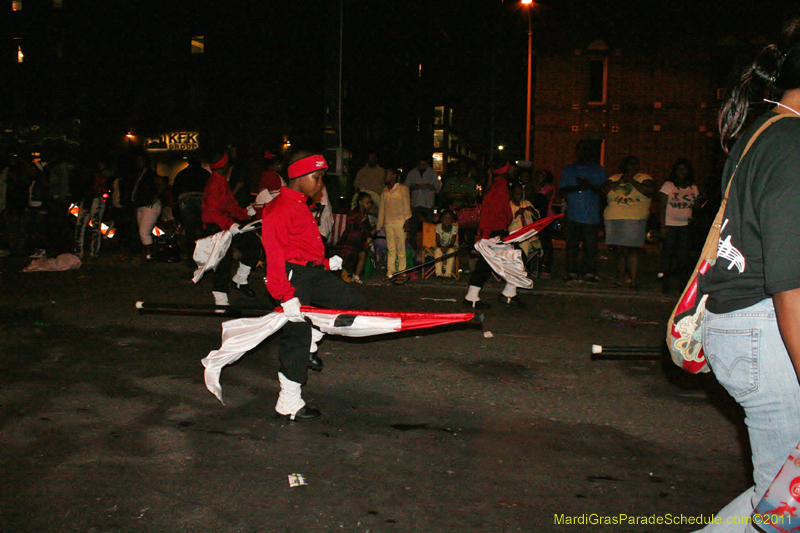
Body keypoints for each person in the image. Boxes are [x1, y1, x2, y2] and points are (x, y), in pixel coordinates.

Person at [695, 19, 800, 532]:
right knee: (786, 506)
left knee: (782, 500)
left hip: (745, 325)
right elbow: (792, 287)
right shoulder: (793, 143)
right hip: (765, 330)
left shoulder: (767, 130)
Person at [262, 151, 366, 421]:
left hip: (311, 272)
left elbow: (301, 244)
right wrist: (285, 296)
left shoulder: (300, 203)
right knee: (294, 340)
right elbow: (274, 257)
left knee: (353, 304)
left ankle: (312, 342)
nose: (320, 185)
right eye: (317, 178)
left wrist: (324, 262)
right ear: (297, 177)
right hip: (291, 277)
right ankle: (289, 403)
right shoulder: (278, 209)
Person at [201, 151, 260, 307]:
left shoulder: (221, 181)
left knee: (252, 243)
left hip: (225, 223)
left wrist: (244, 213)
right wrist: (231, 225)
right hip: (215, 226)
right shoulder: (214, 183)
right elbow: (214, 212)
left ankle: (240, 279)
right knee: (223, 260)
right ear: (225, 165)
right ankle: (220, 296)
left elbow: (229, 204)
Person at [463, 159, 523, 309]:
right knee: (492, 264)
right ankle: (473, 296)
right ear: (505, 170)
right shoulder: (500, 188)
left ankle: (508, 293)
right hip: (495, 233)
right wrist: (487, 237)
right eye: (511, 167)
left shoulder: (498, 185)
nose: (514, 169)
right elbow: (489, 214)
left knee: (511, 262)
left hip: (496, 232)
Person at [602, 155, 657, 290]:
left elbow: (649, 191)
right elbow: (602, 191)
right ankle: (620, 278)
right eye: (628, 164)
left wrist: (631, 181)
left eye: (634, 164)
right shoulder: (614, 178)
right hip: (614, 218)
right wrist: (620, 181)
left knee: (633, 249)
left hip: (634, 218)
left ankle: (633, 281)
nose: (631, 167)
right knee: (618, 250)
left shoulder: (644, 178)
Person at [559, 140, 606, 283]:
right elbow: (563, 189)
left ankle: (589, 272)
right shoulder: (568, 170)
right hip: (573, 213)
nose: (582, 153)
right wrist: (578, 187)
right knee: (571, 246)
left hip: (590, 215)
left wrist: (589, 185)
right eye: (580, 150)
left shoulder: (597, 170)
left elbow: (602, 190)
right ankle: (571, 271)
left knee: (590, 247)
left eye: (586, 150)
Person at [659, 158, 700, 294]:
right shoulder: (669, 185)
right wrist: (662, 226)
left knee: (683, 257)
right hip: (670, 224)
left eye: (684, 169)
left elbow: (696, 206)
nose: (682, 172)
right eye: (679, 169)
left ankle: (682, 284)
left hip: (685, 226)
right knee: (667, 255)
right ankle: (665, 284)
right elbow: (662, 206)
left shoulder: (692, 187)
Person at [172, 156, 210, 268]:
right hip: (201, 200)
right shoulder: (204, 173)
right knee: (203, 229)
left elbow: (175, 190)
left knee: (190, 230)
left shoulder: (182, 174)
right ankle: (204, 255)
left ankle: (191, 257)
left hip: (186, 201)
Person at [377, 167, 411, 283]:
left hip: (400, 221)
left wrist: (407, 222)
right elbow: (382, 209)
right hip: (388, 222)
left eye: (388, 173)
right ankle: (390, 272)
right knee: (391, 248)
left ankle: (402, 272)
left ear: (394, 176)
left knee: (401, 248)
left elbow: (406, 205)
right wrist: (378, 226)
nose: (386, 176)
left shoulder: (402, 189)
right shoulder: (385, 190)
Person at [73, 158, 110, 260]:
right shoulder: (95, 174)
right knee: (91, 227)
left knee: (86, 226)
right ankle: (89, 252)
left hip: (93, 199)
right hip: (91, 199)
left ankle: (85, 252)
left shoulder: (95, 174)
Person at [131, 152, 165, 261]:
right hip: (141, 205)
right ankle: (148, 253)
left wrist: (156, 196)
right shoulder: (139, 174)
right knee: (143, 231)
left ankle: (149, 255)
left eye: (140, 160)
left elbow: (162, 183)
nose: (138, 163)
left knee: (144, 231)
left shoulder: (149, 174)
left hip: (149, 205)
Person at [404, 157, 440, 251]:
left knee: (430, 226)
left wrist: (429, 186)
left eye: (424, 165)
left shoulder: (432, 173)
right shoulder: (412, 173)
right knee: (413, 227)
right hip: (415, 203)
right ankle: (413, 247)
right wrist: (413, 187)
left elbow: (438, 187)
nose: (422, 166)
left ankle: (430, 246)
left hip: (428, 203)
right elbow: (405, 187)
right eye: (421, 165)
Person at [338, 192, 375, 284]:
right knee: (347, 258)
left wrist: (372, 231)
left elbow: (366, 228)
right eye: (367, 203)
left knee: (363, 256)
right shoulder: (354, 212)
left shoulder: (365, 214)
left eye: (370, 203)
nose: (369, 205)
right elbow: (350, 226)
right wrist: (360, 222)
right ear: (360, 202)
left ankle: (356, 276)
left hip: (360, 239)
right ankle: (344, 274)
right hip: (351, 238)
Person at [535, 169, 556, 278]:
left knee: (546, 243)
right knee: (540, 242)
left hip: (547, 217)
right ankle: (540, 265)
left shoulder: (549, 187)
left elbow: (545, 202)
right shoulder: (541, 188)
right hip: (541, 217)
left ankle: (547, 267)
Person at [508, 182, 538, 256]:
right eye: (517, 194)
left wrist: (532, 210)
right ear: (512, 194)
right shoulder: (508, 206)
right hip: (516, 237)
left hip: (531, 237)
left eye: (521, 194)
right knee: (525, 245)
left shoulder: (526, 203)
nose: (519, 196)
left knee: (538, 247)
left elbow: (537, 216)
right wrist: (517, 214)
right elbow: (506, 221)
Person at [434, 210, 458, 279]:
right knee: (438, 252)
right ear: (442, 219)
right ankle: (439, 274)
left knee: (451, 252)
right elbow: (438, 241)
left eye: (449, 218)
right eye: (445, 218)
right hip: (440, 245)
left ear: (452, 220)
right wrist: (442, 247)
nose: (447, 220)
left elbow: (452, 242)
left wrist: (446, 248)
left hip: (451, 246)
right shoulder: (438, 227)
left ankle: (448, 274)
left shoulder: (454, 228)